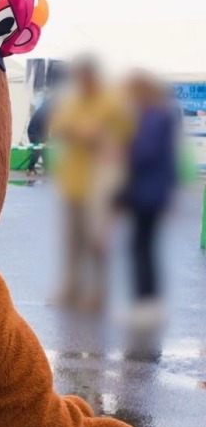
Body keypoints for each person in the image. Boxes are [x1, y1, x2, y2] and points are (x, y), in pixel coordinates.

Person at [48, 56, 132, 311]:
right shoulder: (73, 101)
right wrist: (83, 132)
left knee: (97, 242)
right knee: (71, 242)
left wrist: (92, 134)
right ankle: (71, 289)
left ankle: (99, 294)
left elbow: (123, 137)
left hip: (98, 185)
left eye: (85, 78)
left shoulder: (112, 102)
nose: (82, 83)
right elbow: (56, 128)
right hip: (73, 182)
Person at [120, 70, 179, 321]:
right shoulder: (157, 114)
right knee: (143, 247)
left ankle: (147, 303)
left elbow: (145, 152)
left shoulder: (154, 116)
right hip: (150, 191)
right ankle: (146, 301)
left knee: (142, 248)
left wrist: (123, 150)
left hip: (148, 193)